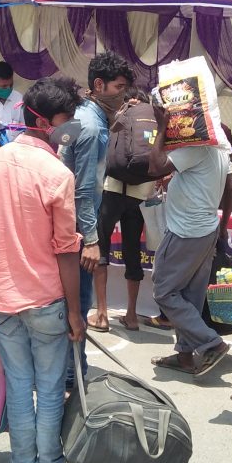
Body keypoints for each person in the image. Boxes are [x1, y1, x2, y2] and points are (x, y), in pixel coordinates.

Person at [0, 76, 95, 463]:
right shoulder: (58, 173)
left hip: (4, 298)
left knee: (21, 389)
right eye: (66, 119)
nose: (71, 127)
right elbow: (66, 249)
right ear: (43, 122)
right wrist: (75, 313)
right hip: (48, 301)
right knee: (50, 389)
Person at [59, 52, 134, 373]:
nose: (123, 95)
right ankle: (73, 374)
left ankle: (68, 370)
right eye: (119, 88)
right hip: (78, 227)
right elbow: (83, 189)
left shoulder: (84, 117)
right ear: (99, 85)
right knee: (78, 303)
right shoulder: (91, 128)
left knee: (66, 302)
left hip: (68, 221)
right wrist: (91, 240)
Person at [146, 100, 231, 377]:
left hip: (186, 231)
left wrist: (161, 129)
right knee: (190, 295)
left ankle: (211, 343)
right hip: (205, 229)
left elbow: (155, 166)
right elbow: (230, 187)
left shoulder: (196, 148)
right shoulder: (219, 147)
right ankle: (184, 356)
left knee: (164, 291)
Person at [92, 87, 155, 332]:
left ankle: (102, 314)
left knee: (101, 248)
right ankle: (131, 315)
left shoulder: (119, 116)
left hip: (113, 188)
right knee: (132, 252)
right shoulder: (150, 118)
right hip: (140, 194)